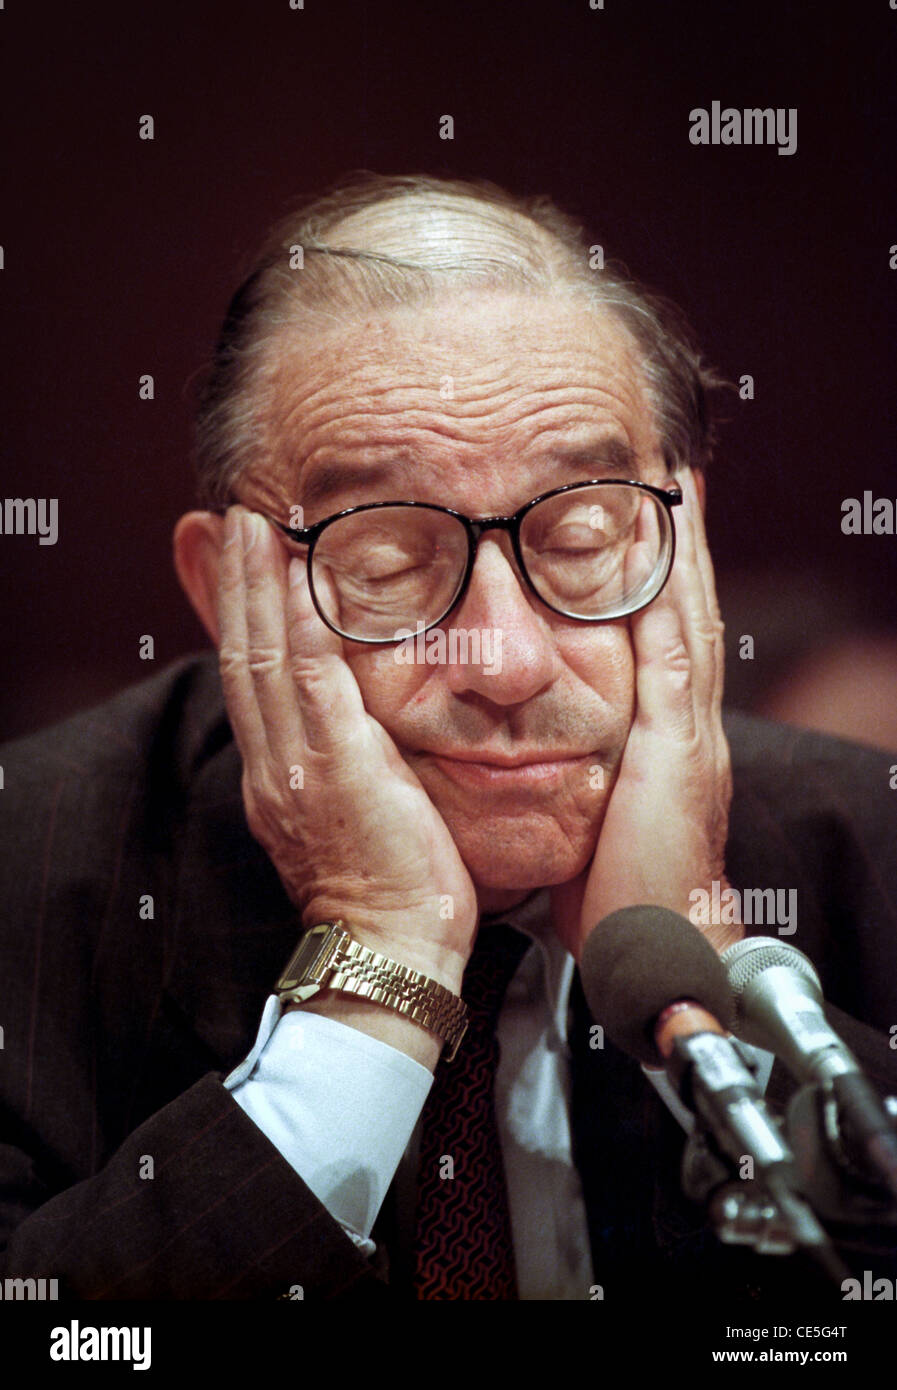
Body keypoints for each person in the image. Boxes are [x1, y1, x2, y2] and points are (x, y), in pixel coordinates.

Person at [1, 173, 895, 1303]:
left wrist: (712, 988)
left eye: (579, 536)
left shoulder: (873, 842)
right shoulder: (26, 876)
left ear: (686, 536)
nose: (509, 661)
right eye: (385, 561)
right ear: (226, 592)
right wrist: (379, 966)